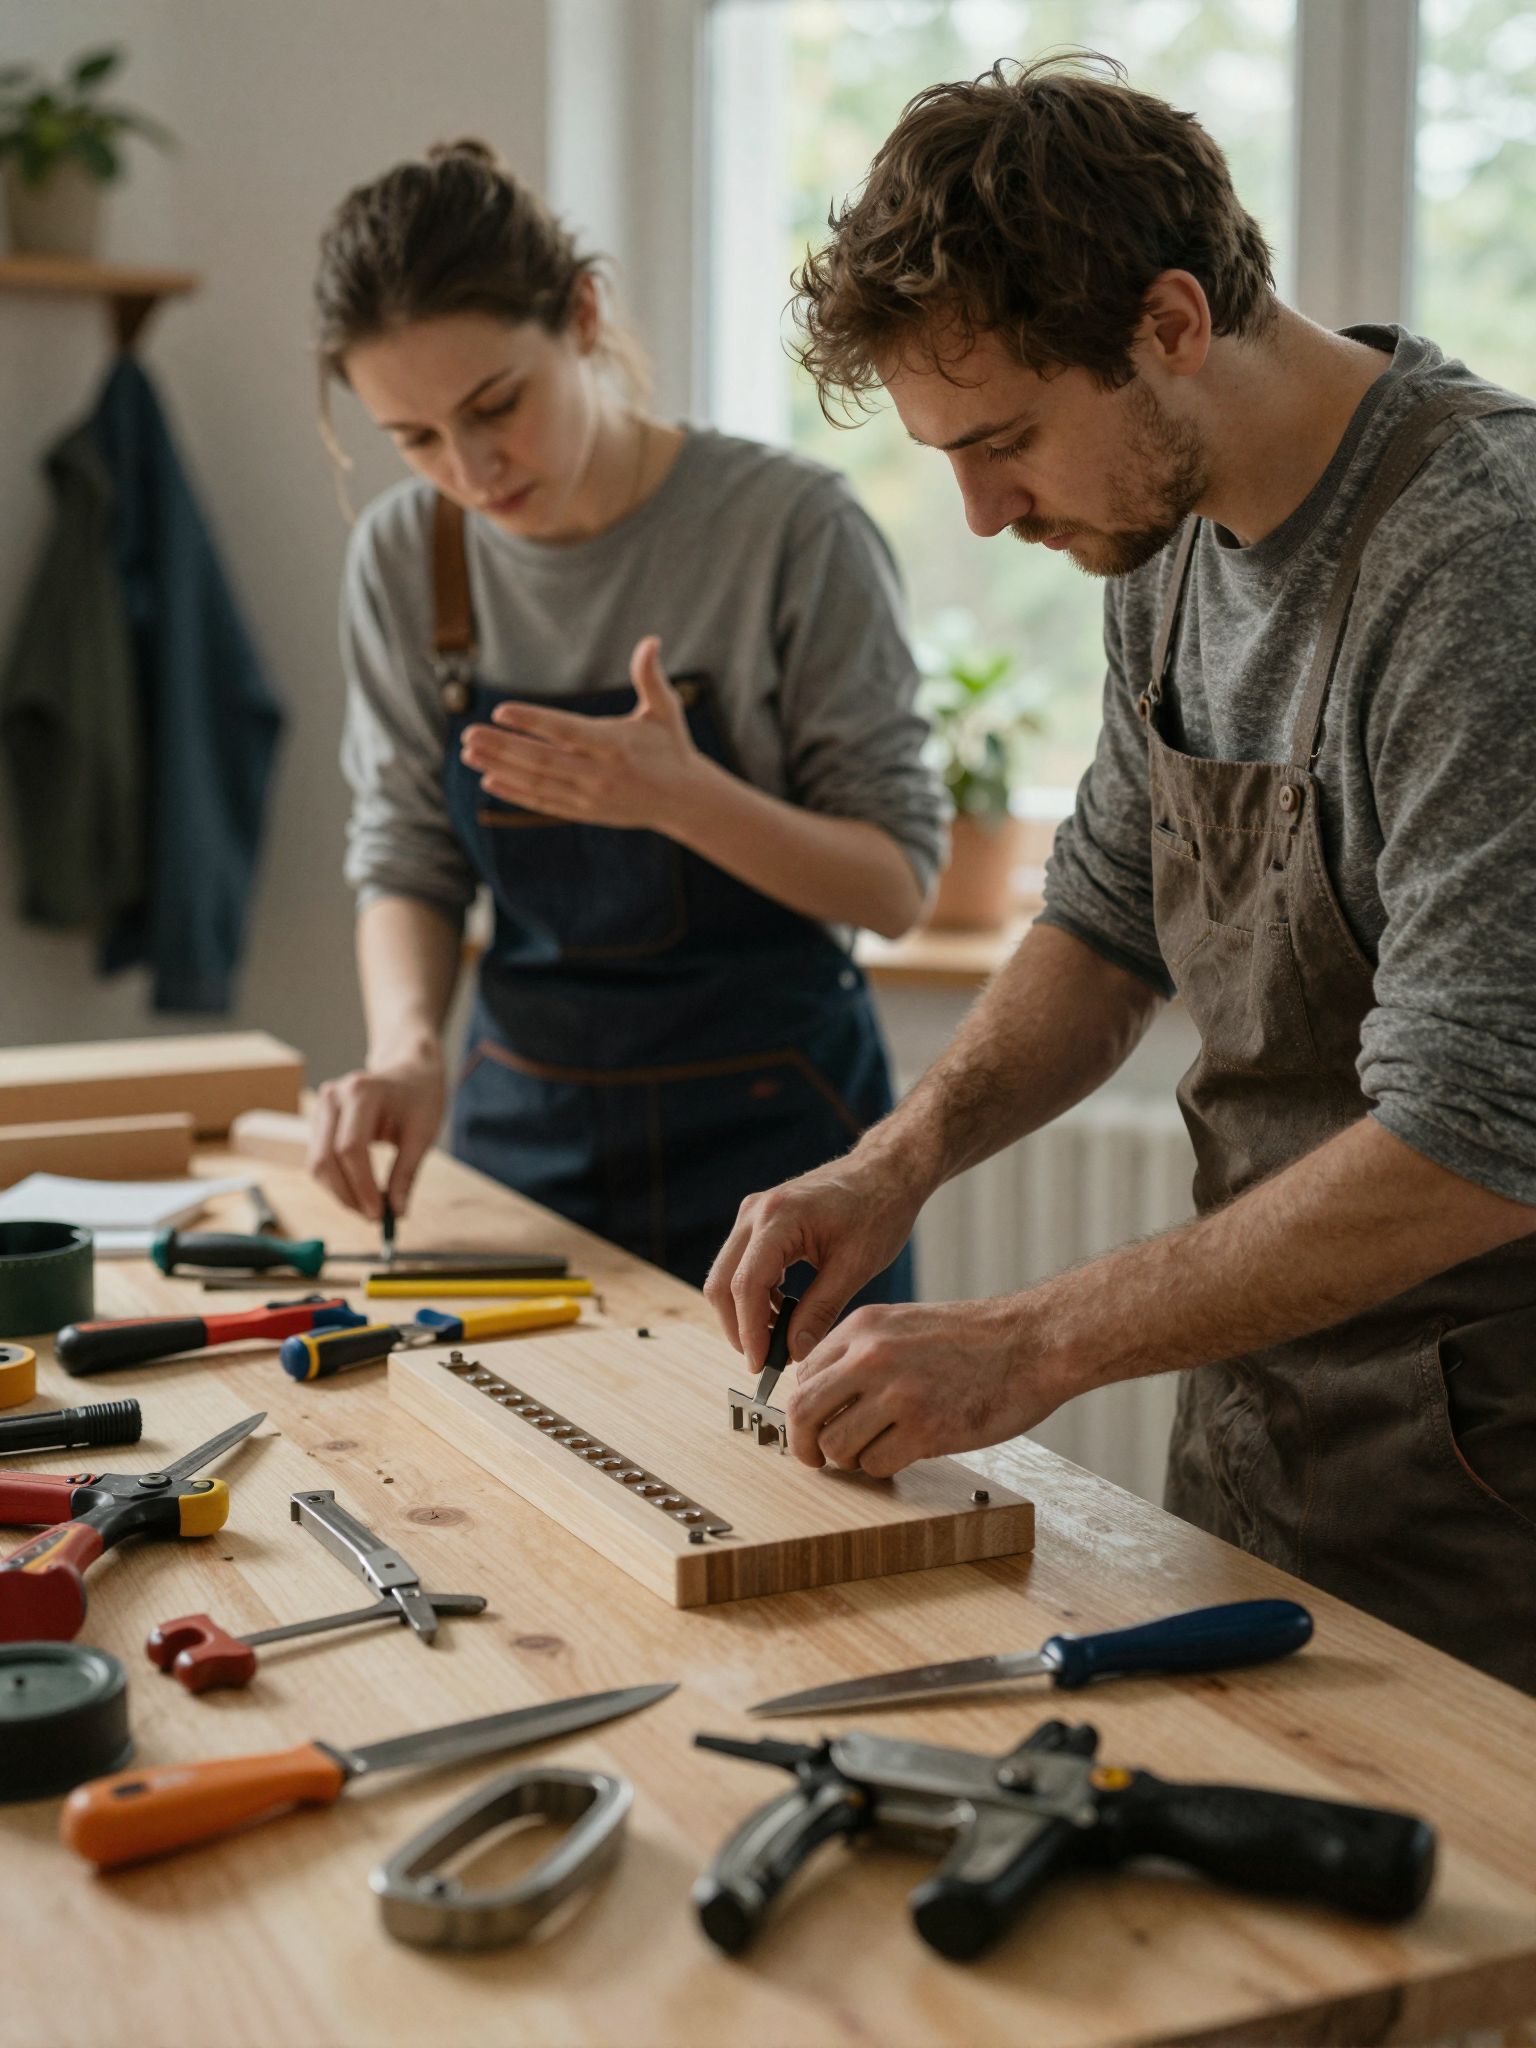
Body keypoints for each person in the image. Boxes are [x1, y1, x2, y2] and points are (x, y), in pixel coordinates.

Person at [705, 57, 1536, 1693]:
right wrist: (894, 1162)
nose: (980, 511)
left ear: (1170, 322)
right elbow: (1102, 914)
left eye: (1005, 440)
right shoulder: (1159, 536)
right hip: (1256, 1412)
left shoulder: (1480, 568)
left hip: (1487, 1480)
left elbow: (1483, 1133)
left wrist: (1027, 1343)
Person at [306, 140, 946, 1294]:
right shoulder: (406, 557)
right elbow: (405, 848)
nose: (472, 467)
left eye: (497, 404)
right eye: (416, 439)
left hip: (783, 1142)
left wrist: (684, 799)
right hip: (524, 1139)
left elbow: (895, 884)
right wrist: (404, 1047)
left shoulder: (789, 529)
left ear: (584, 316)